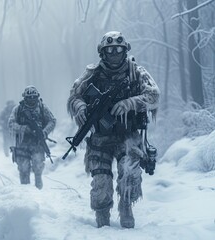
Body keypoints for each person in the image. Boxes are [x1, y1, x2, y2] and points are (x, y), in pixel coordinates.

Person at [67, 31, 160, 228]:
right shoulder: (92, 74)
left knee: (130, 175)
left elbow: (154, 96)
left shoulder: (136, 72)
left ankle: (126, 207)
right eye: (110, 50)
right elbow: (74, 96)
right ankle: (102, 218)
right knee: (101, 184)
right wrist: (80, 107)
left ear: (125, 50)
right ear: (103, 52)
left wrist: (131, 103)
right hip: (100, 138)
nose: (115, 53)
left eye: (119, 49)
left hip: (128, 136)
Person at [8, 86, 56, 189]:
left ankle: (38, 191)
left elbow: (52, 121)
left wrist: (45, 132)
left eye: (34, 97)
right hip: (22, 143)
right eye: (29, 97)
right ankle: (26, 194)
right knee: (23, 169)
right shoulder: (18, 109)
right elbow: (11, 123)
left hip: (38, 143)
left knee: (38, 168)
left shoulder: (42, 107)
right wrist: (23, 128)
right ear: (25, 98)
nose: (32, 99)